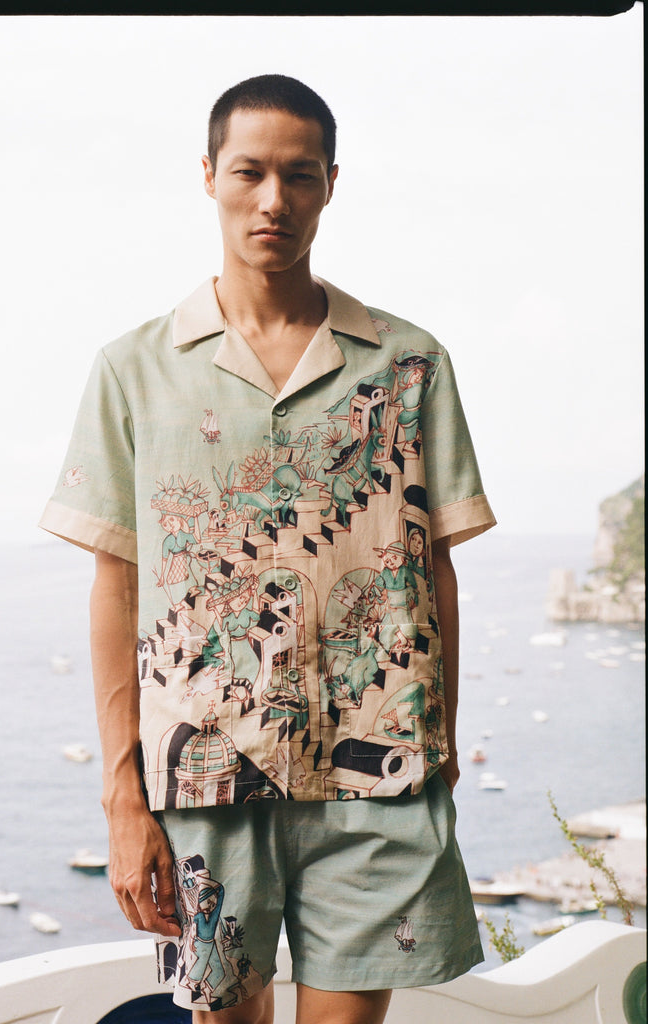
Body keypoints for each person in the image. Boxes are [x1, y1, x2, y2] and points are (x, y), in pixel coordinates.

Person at [39, 73, 497, 1024]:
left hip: (377, 778)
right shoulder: (134, 370)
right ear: (209, 176)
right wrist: (123, 799)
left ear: (332, 183)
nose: (273, 199)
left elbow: (436, 566)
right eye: (250, 171)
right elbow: (116, 587)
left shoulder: (411, 364)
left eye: (300, 174)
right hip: (207, 783)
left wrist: (441, 743)